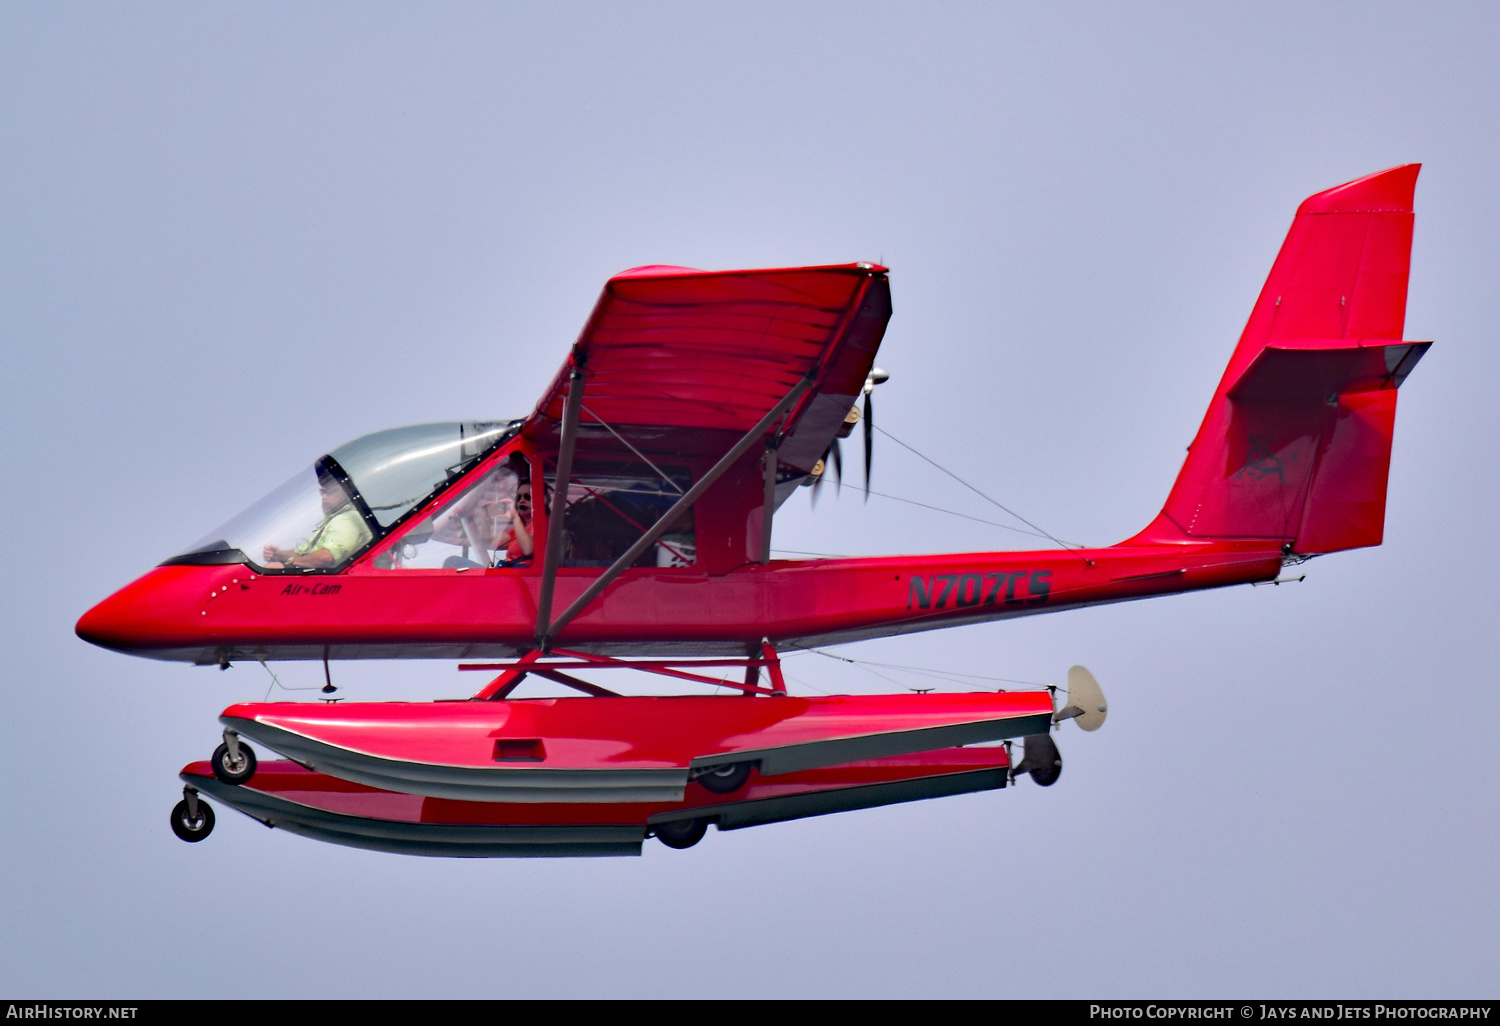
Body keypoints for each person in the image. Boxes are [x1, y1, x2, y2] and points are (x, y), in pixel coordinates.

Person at [262, 468, 373, 569]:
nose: (324, 497)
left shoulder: (347, 520)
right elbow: (308, 554)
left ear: (347, 493)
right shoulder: (334, 520)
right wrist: (281, 555)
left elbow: (326, 558)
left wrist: (287, 565)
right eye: (323, 492)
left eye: (330, 492)